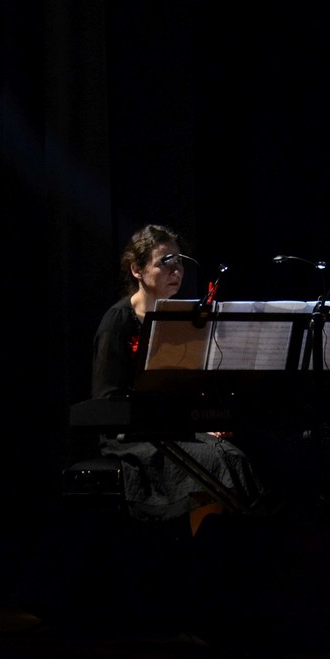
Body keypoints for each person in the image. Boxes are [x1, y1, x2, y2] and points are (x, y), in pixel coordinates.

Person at [92, 224, 265, 532]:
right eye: (165, 262)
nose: (176, 270)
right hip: (133, 435)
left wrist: (204, 420)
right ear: (137, 270)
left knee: (236, 453)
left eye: (179, 262)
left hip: (175, 428)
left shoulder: (180, 316)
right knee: (216, 461)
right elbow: (107, 399)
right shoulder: (118, 321)